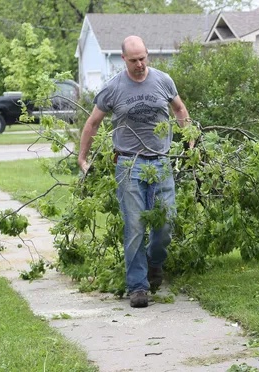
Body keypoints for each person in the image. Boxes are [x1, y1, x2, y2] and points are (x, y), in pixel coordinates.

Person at [77, 35, 191, 308]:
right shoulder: (113, 88)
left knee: (166, 223)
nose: (139, 64)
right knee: (136, 226)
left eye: (143, 58)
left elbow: (179, 109)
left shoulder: (163, 80)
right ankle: (138, 287)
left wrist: (190, 141)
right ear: (123, 59)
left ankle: (155, 263)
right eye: (133, 60)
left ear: (147, 55)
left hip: (161, 162)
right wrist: (83, 158)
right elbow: (92, 123)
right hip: (129, 164)